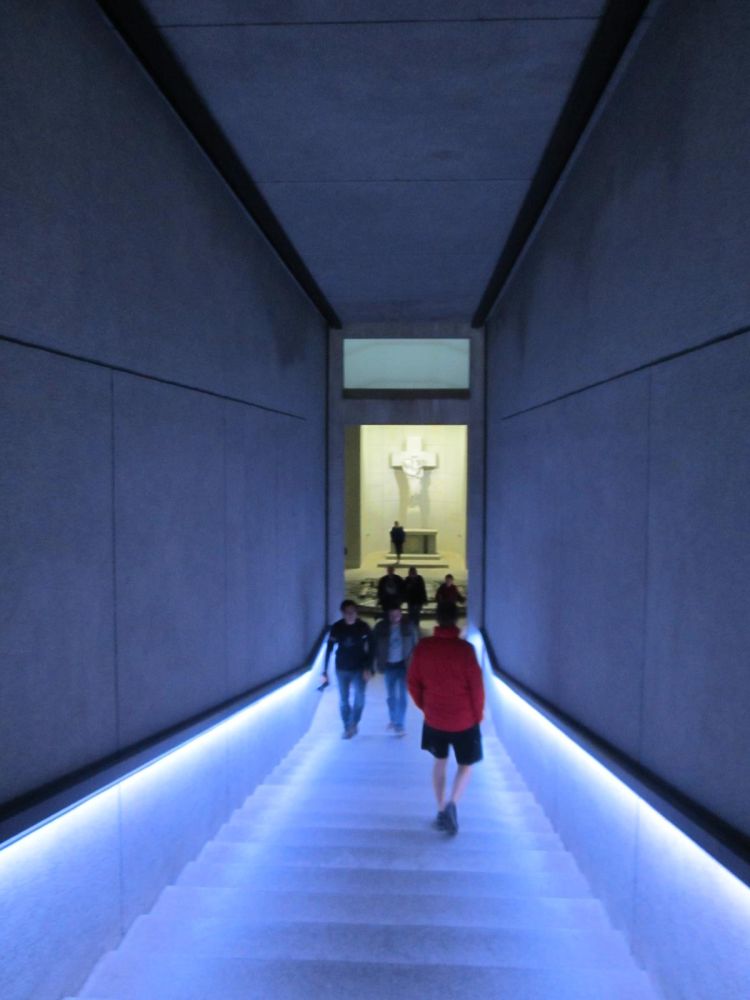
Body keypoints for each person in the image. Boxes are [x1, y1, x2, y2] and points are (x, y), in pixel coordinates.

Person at [407, 603, 484, 835]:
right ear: (457, 621)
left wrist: (424, 706)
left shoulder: (424, 647)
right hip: (464, 719)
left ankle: (441, 809)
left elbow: (413, 682)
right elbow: (477, 689)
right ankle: (453, 803)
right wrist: (477, 716)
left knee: (439, 761)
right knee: (465, 765)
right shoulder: (465, 650)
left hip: (435, 719)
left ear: (437, 620)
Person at [322, 599, 373, 739]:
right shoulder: (337, 627)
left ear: (356, 612)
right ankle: (347, 727)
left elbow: (372, 647)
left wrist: (368, 667)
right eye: (347, 612)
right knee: (344, 700)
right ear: (343, 613)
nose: (350, 615)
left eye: (352, 612)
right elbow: (329, 648)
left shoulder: (363, 627)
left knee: (360, 698)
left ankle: (354, 723)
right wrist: (324, 670)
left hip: (359, 668)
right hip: (342, 669)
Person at [372, 604, 418, 736]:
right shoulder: (381, 628)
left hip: (404, 666)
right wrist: (374, 662)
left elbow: (416, 646)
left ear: (401, 614)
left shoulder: (408, 627)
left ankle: (400, 724)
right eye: (392, 615)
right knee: (391, 696)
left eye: (397, 615)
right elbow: (373, 645)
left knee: (402, 696)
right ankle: (393, 719)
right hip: (389, 666)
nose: (395, 618)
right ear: (388, 616)